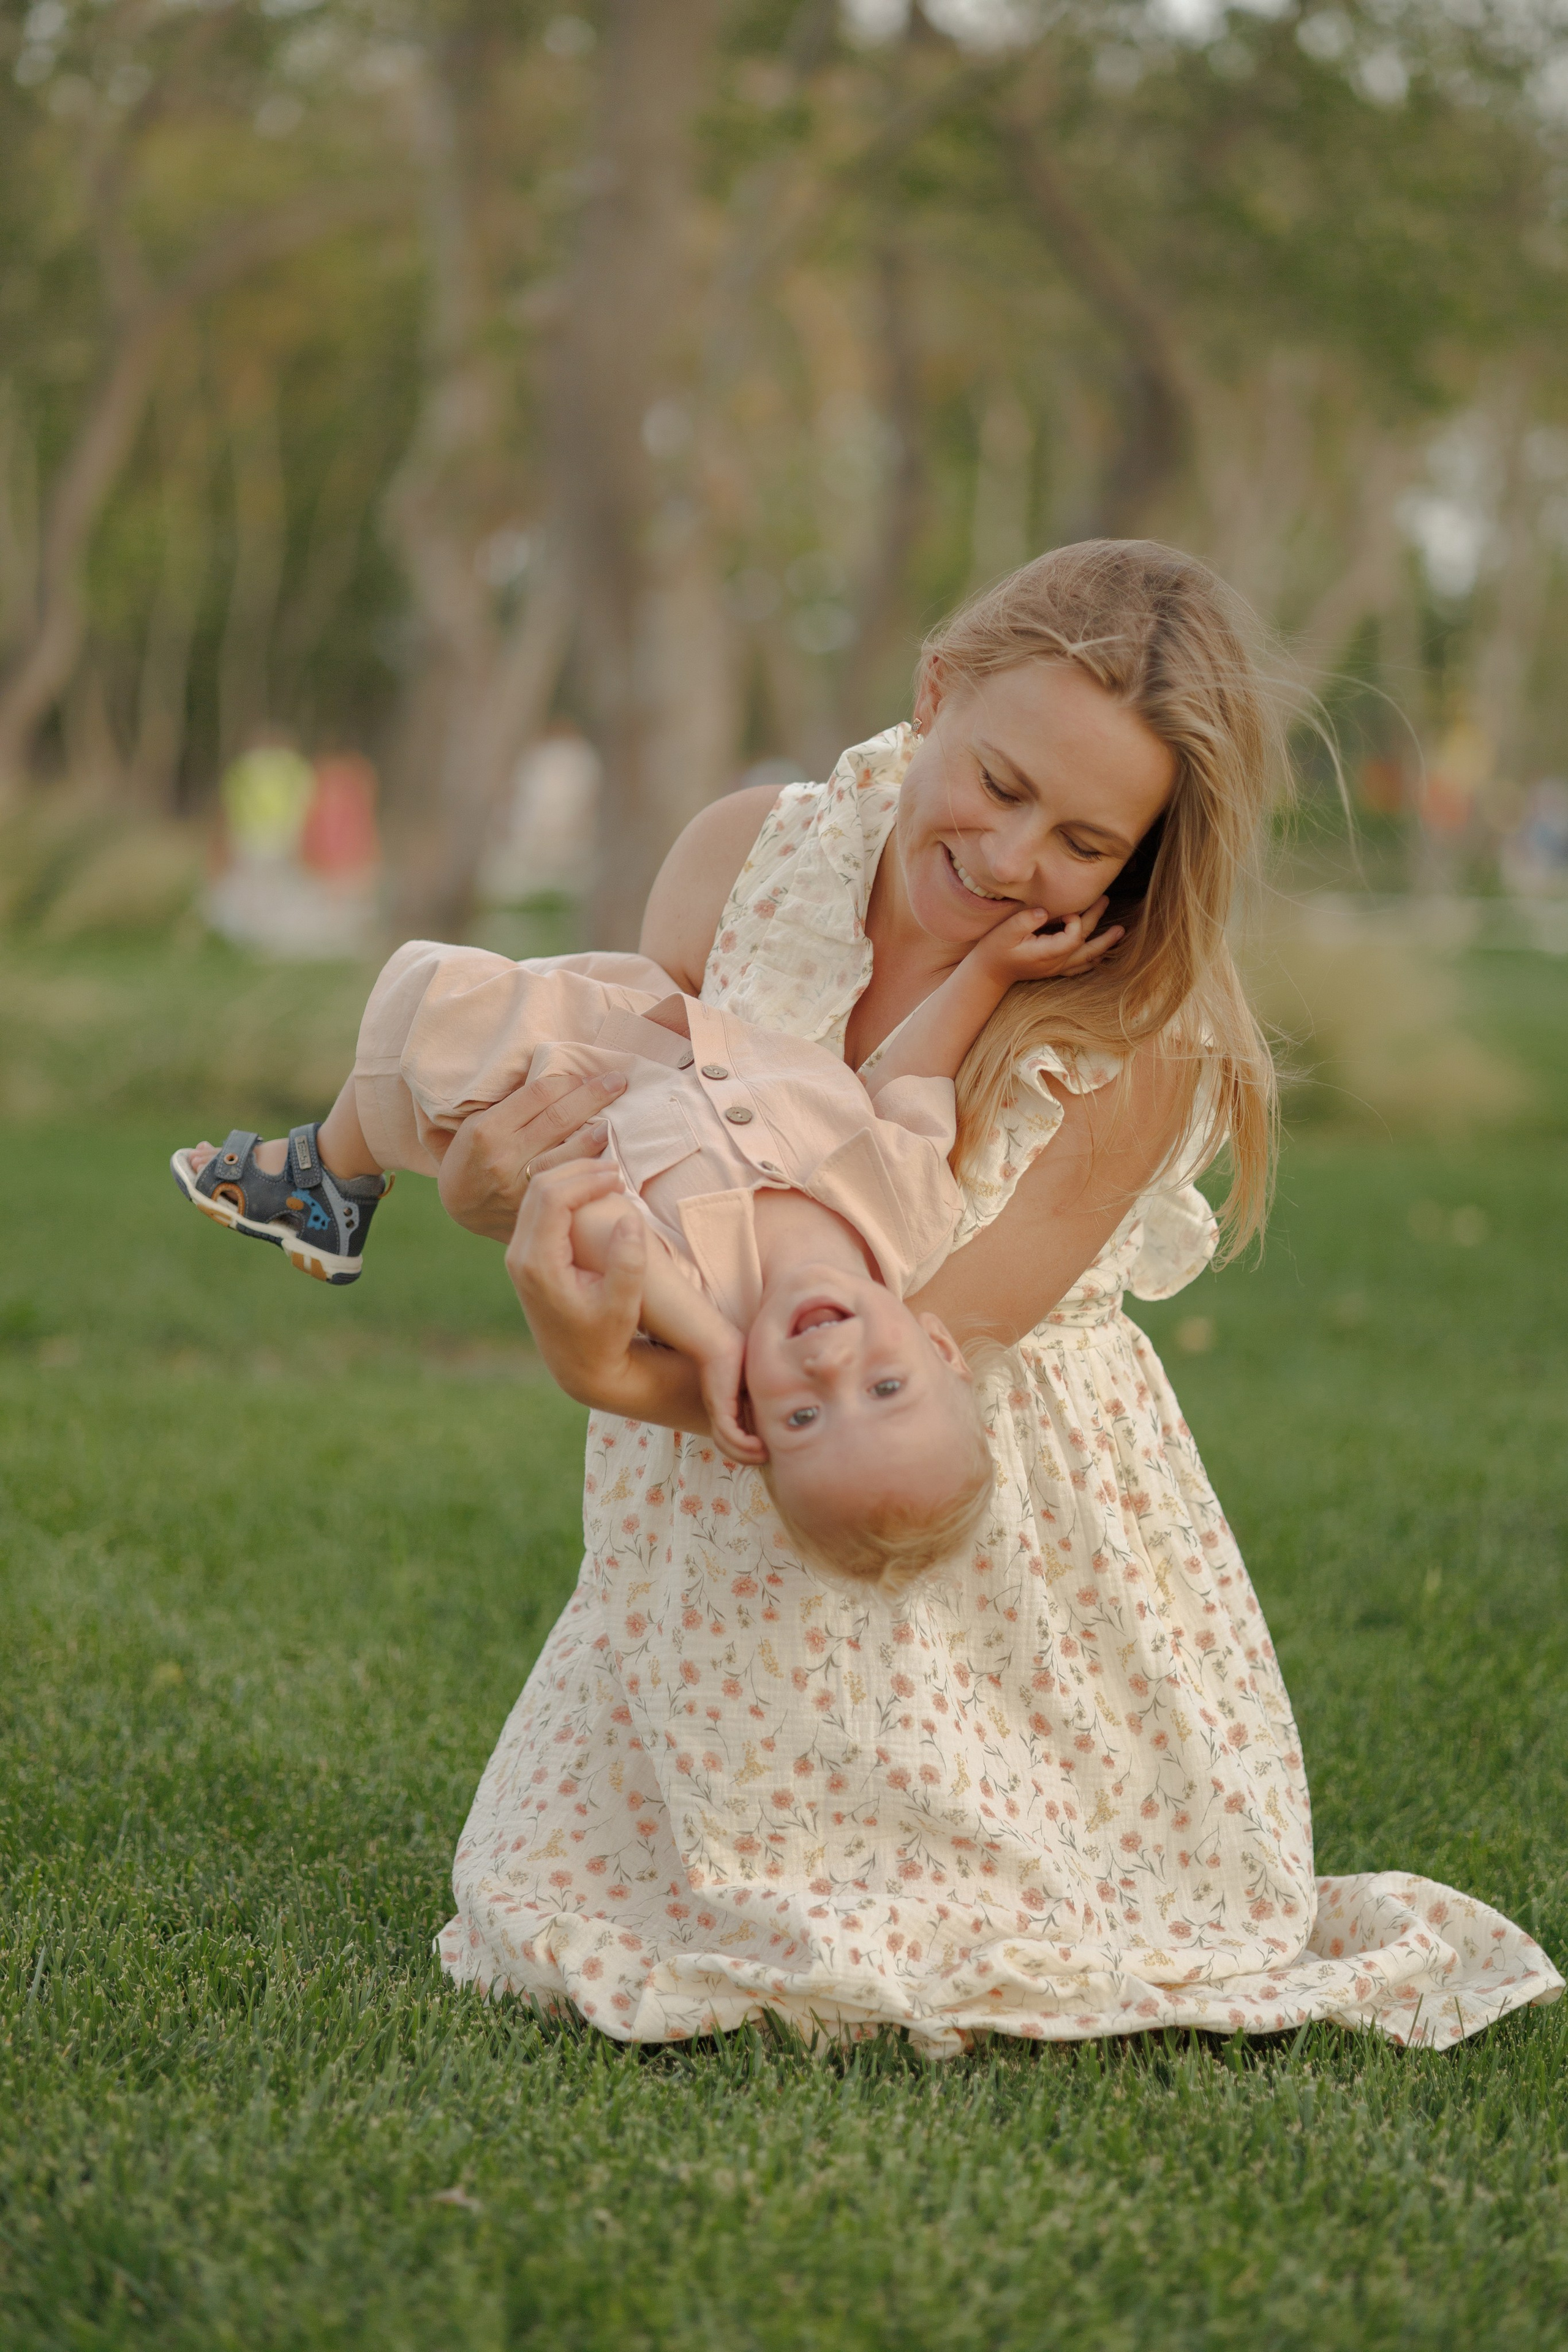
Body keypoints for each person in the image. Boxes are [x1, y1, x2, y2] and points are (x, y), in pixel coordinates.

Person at [431, 538, 1558, 2054]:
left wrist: (605, 1369)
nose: (1018, 856)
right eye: (999, 782)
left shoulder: (1134, 1028)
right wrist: (496, 1193)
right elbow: (648, 1137)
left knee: (989, 1912)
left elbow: (896, 1354)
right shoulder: (746, 861)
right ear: (934, 691)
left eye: (1086, 841)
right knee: (595, 1896)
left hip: (949, 1465)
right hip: (739, 1451)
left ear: (1144, 858)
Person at [172, 897, 1121, 1588]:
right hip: (663, 1036)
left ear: (746, 1419)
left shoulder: (702, 1305)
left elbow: (594, 1220)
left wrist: (713, 1346)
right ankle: (327, 1180)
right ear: (941, 1348)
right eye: (884, 1387)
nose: (830, 1365)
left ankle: (326, 1181)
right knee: (447, 992)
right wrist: (988, 972)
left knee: (437, 1005)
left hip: (575, 1080)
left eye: (802, 1418)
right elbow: (914, 1073)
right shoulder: (913, 1216)